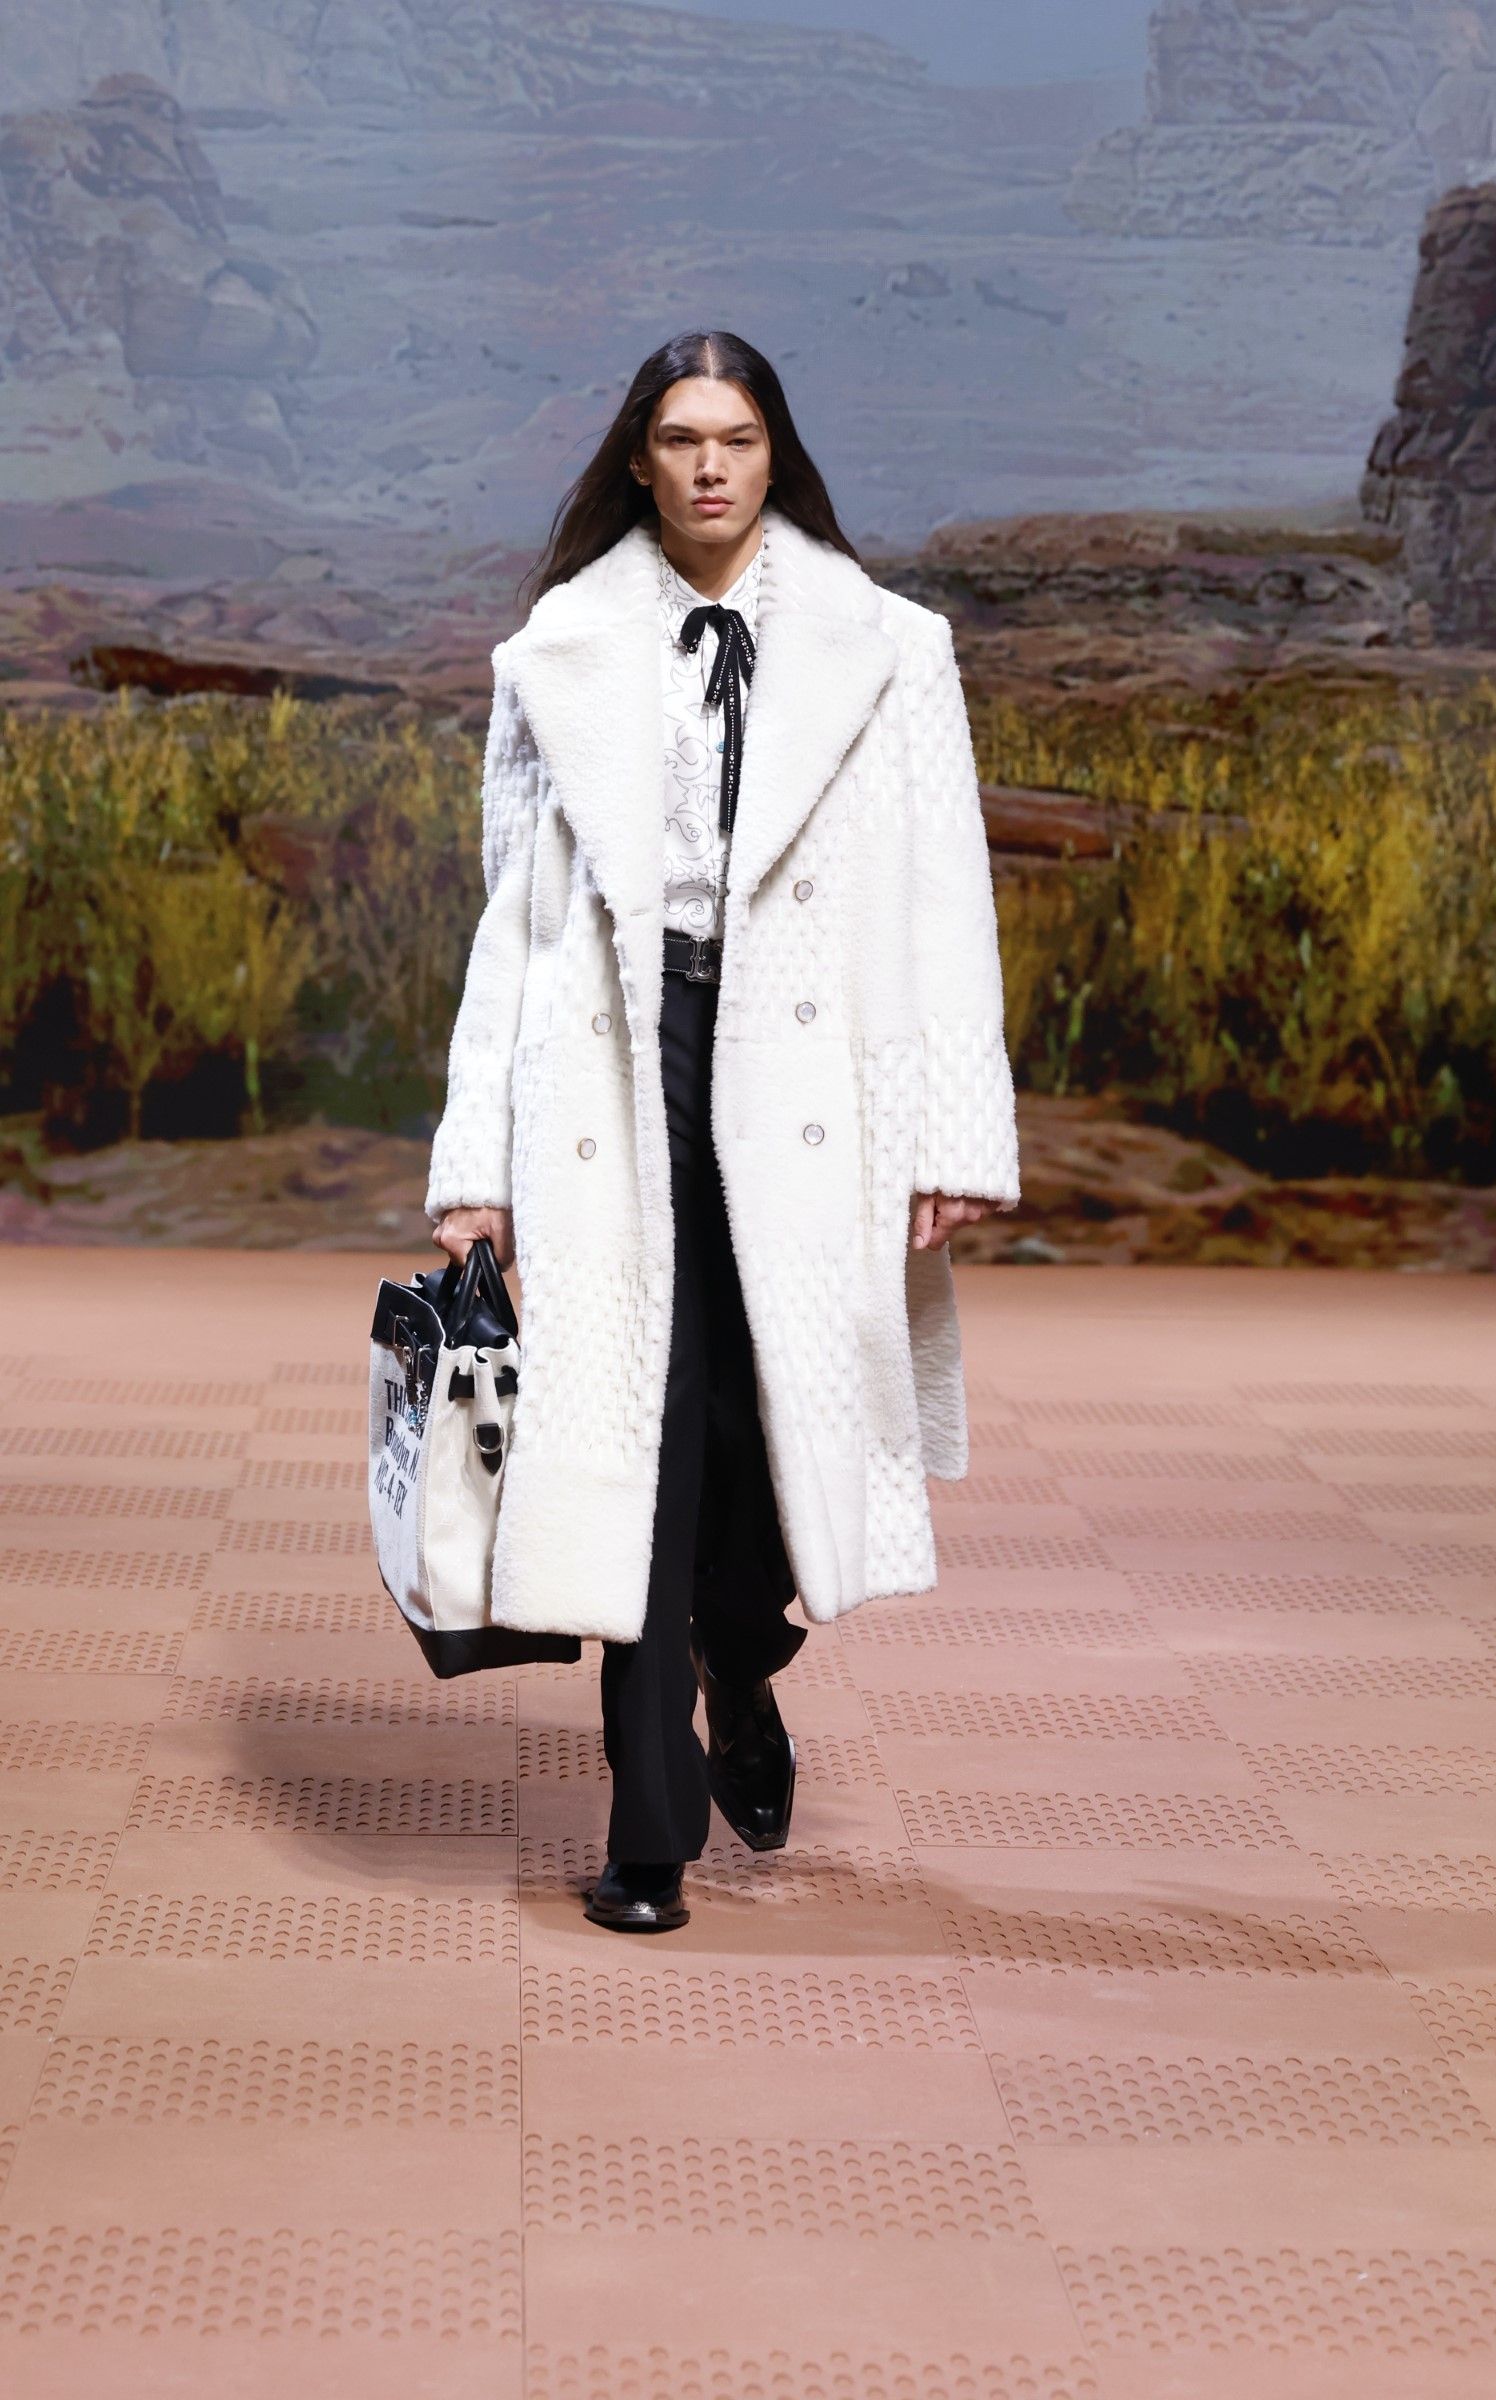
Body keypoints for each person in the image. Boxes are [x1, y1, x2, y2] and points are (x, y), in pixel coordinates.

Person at [427, 329, 1019, 1932]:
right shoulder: (560, 650)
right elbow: (514, 926)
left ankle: (740, 1661)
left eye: (737, 440)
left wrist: (951, 1131)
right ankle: (648, 1830)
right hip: (617, 1067)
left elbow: (943, 898)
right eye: (682, 438)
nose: (709, 467)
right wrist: (476, 1160)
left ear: (775, 455)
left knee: (762, 1439)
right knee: (641, 1427)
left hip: (805, 1080)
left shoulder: (888, 649)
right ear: (639, 457)